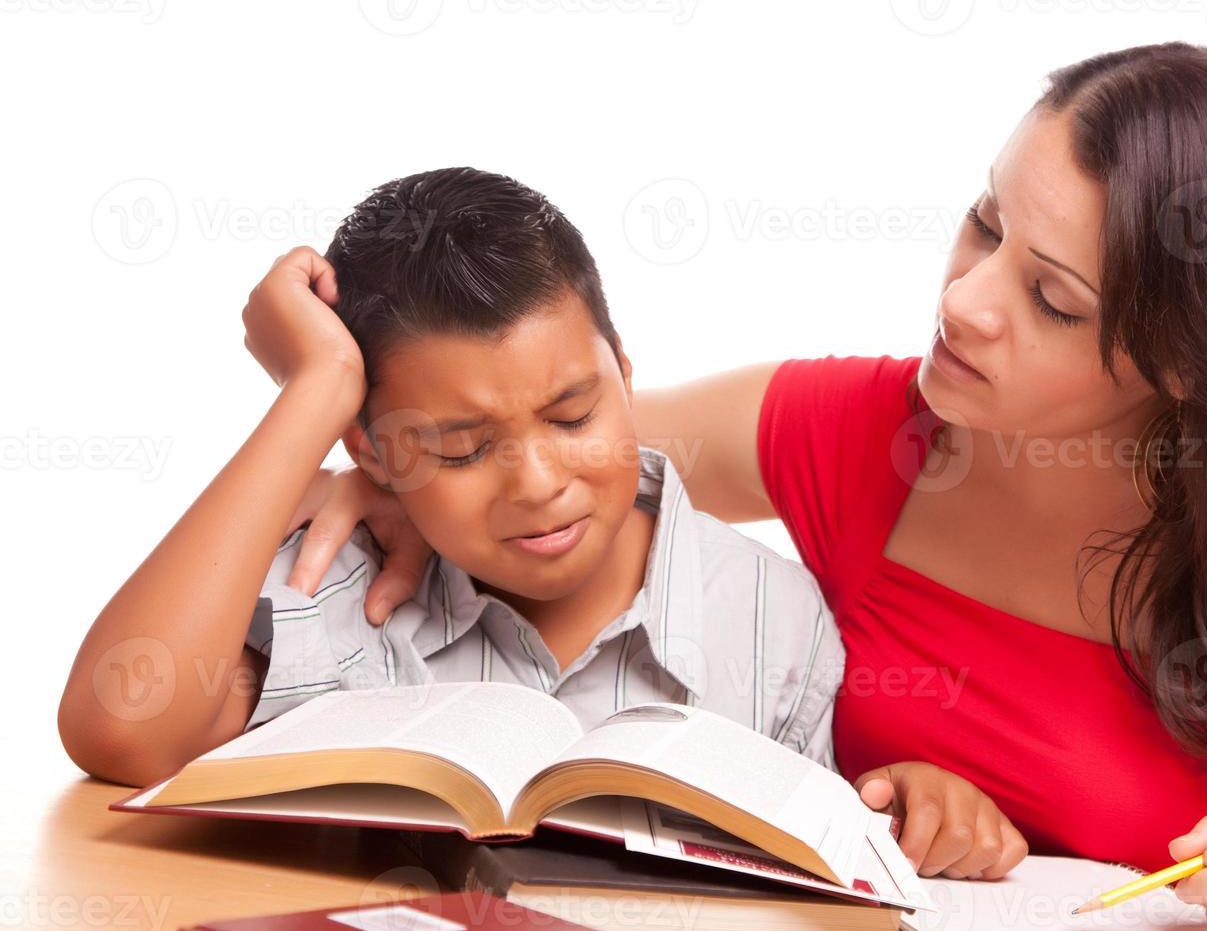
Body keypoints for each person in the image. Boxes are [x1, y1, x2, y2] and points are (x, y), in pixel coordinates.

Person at [274, 45, 1207, 931]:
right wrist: (389, 471)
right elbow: (555, 444)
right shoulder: (861, 432)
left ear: (1180, 365)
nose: (964, 301)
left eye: (1051, 298)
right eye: (986, 224)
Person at [58, 169, 922, 860]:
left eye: (575, 415)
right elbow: (120, 724)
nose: (539, 482)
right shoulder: (345, 587)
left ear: (623, 371)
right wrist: (312, 391)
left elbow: (836, 872)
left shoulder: (774, 619)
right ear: (374, 451)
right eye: (462, 450)